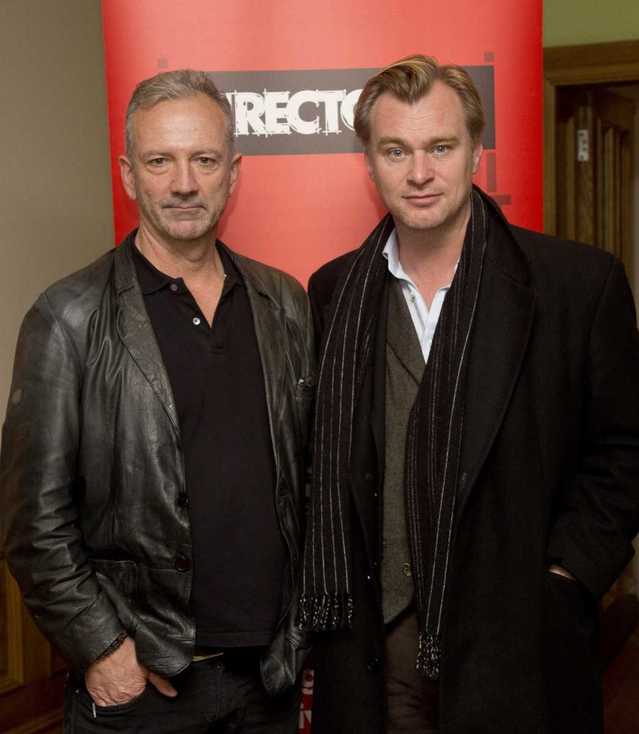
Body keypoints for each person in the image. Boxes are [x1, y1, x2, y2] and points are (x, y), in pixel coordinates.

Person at [299, 55, 639, 733]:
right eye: (396, 150)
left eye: (440, 147)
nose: (419, 173)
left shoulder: (576, 285)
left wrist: (566, 577)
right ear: (369, 164)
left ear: (476, 153)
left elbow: (625, 450)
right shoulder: (333, 291)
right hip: (375, 651)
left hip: (520, 643)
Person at [1, 69, 314, 733]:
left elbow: (310, 480)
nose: (183, 183)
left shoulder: (284, 303)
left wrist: (305, 632)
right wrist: (103, 648)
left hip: (270, 681)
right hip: (145, 689)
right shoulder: (68, 317)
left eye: (204, 160)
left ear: (233, 173)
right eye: (159, 161)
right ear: (128, 175)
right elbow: (33, 523)